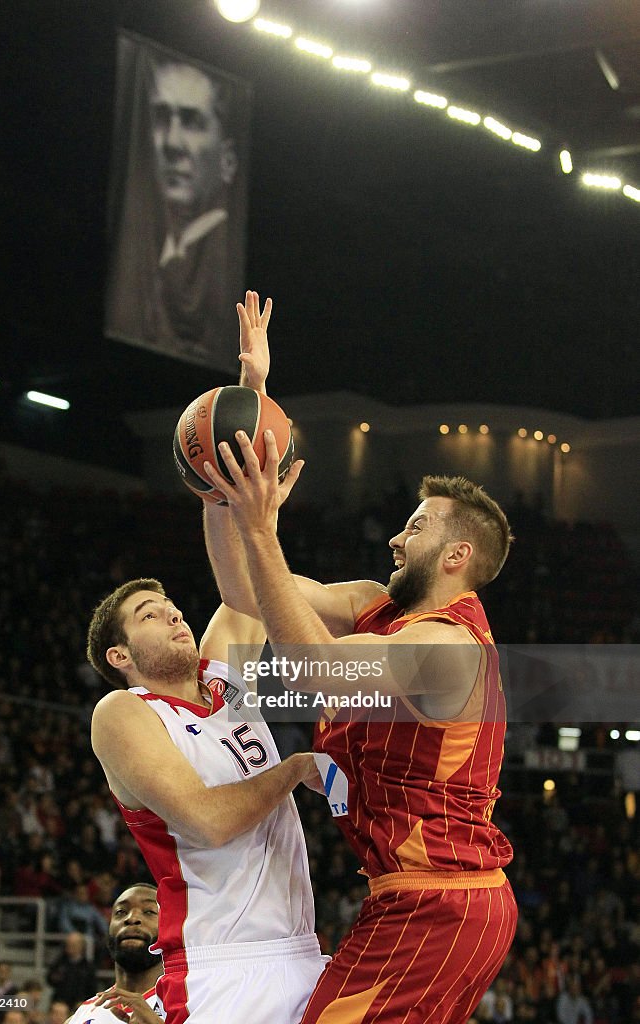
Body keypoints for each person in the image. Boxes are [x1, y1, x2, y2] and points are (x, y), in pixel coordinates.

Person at [202, 293, 519, 1023]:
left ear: (456, 555)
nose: (395, 541)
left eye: (414, 528)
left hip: (439, 902)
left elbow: (312, 670)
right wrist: (243, 424)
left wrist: (261, 531)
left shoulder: (447, 650)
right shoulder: (378, 604)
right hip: (423, 900)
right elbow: (246, 591)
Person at [86, 334, 327, 1022]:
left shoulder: (223, 685)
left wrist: (246, 403)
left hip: (303, 951)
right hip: (223, 969)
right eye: (147, 614)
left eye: (169, 604)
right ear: (119, 656)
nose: (171, 614)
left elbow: (245, 584)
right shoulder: (124, 713)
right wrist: (294, 768)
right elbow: (204, 821)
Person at [106, 38, 244, 373]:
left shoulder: (221, 279)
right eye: (161, 117)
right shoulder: (133, 256)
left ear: (227, 160)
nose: (171, 143)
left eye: (192, 121)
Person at [67, 884, 163, 1024]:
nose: (131, 918)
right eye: (121, 912)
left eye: (149, 911)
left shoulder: (193, 1003)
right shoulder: (79, 1017)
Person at [46, 934, 97, 1013]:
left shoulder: (87, 966)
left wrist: (84, 1003)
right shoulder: (59, 963)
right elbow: (50, 980)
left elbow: (92, 988)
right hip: (60, 1004)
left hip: (79, 1006)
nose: (69, 947)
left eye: (73, 945)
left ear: (81, 946)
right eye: (68, 944)